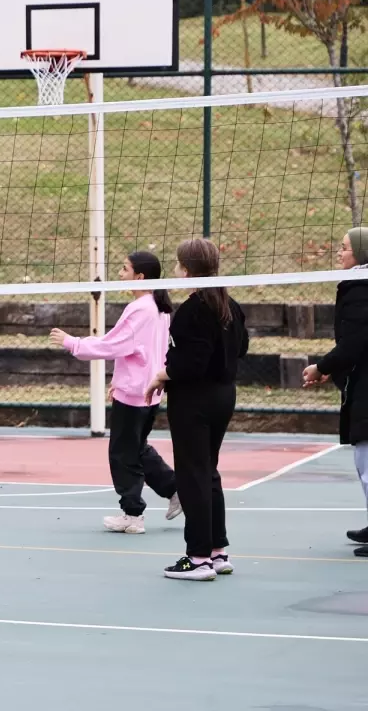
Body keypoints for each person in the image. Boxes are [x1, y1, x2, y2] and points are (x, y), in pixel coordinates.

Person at [50, 250, 181, 534]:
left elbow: (113, 345)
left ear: (140, 276)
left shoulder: (141, 309)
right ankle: (175, 489)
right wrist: (121, 380)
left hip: (137, 394)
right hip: (148, 390)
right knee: (137, 447)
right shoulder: (159, 307)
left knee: (123, 453)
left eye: (124, 269)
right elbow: (143, 352)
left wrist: (73, 343)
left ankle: (133, 514)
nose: (120, 274)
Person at [145, 238, 247, 581]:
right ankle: (218, 551)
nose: (174, 270)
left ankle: (198, 558)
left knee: (192, 475)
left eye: (177, 265)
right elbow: (241, 348)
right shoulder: (229, 304)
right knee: (208, 472)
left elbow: (192, 362)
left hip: (195, 400)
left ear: (186, 271)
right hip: (223, 396)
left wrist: (162, 374)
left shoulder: (191, 310)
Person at [302, 227, 368, 557]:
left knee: (367, 459)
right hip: (361, 380)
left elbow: (355, 342)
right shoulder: (358, 284)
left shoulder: (361, 287)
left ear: (361, 252)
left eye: (344, 248)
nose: (339, 253)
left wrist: (323, 367)